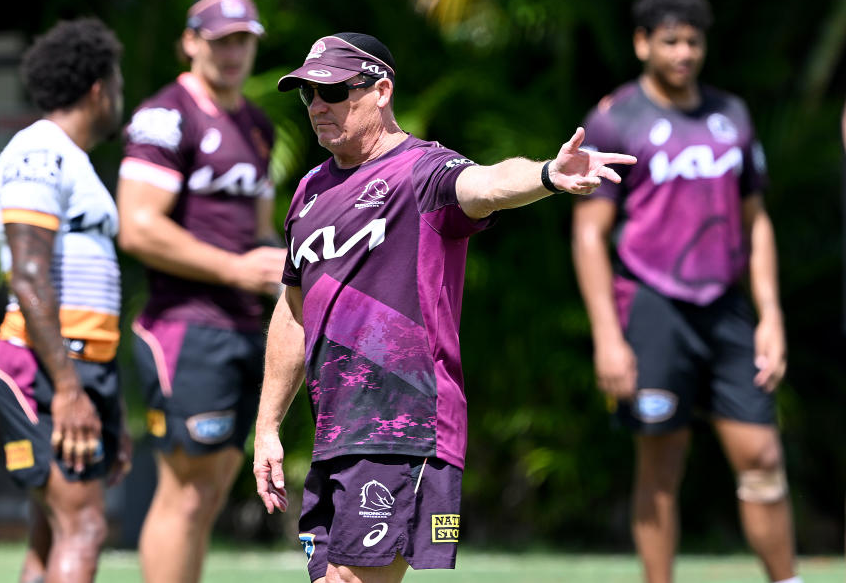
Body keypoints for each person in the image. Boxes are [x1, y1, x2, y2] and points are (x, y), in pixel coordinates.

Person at [252, 32, 635, 583]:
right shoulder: (309, 190)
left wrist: (548, 175)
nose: (317, 107)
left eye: (333, 92)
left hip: (405, 426)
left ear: (381, 90)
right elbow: (292, 309)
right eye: (308, 95)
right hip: (337, 433)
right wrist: (267, 427)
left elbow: (487, 184)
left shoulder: (422, 172)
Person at [571, 0, 800, 583]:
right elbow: (590, 234)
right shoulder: (614, 119)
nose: (683, 53)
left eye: (693, 41)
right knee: (661, 467)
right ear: (643, 43)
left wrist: (770, 315)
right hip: (651, 307)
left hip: (725, 307)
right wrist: (608, 338)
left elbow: (757, 225)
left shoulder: (732, 115)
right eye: (670, 40)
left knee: (762, 458)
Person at [116, 0, 286, 583]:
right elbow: (137, 227)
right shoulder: (166, 116)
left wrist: (296, 267)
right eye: (220, 40)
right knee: (185, 493)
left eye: (244, 40)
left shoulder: (257, 125)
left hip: (243, 326)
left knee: (210, 492)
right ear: (190, 42)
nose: (234, 52)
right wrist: (237, 269)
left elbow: (259, 231)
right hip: (184, 327)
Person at [0, 17, 130, 583]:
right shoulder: (38, 151)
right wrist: (70, 389)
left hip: (80, 366)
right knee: (85, 528)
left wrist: (104, 398)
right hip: (46, 368)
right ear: (99, 88)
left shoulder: (71, 159)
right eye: (116, 83)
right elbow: (27, 274)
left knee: (50, 533)